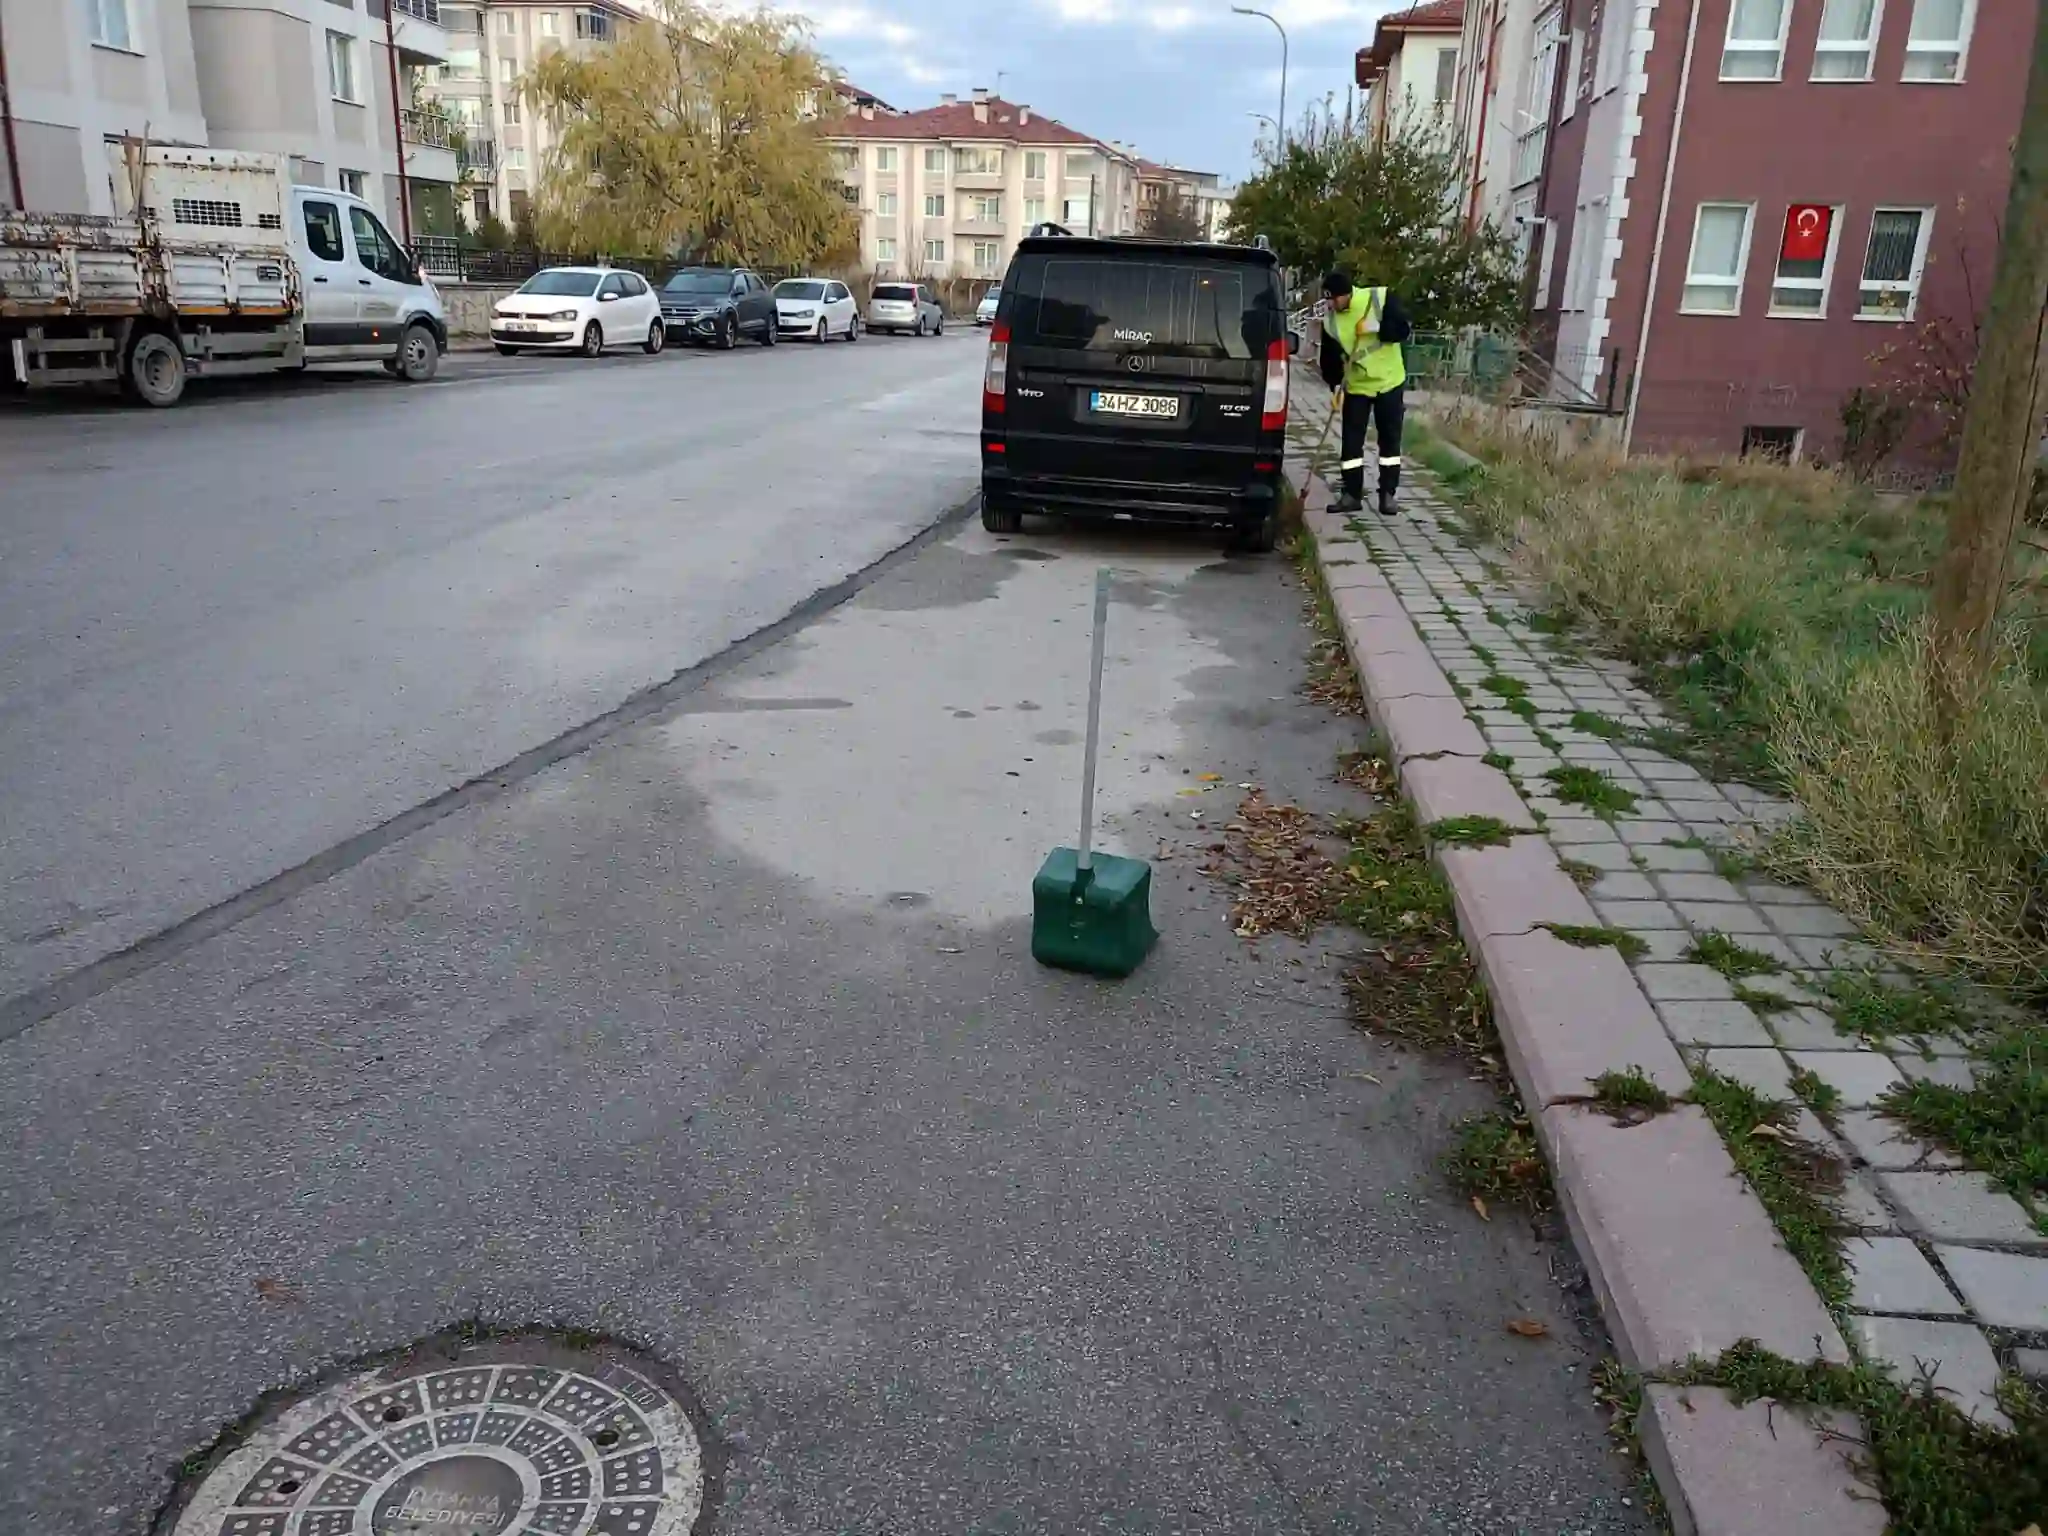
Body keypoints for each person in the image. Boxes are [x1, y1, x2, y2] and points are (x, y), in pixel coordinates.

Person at [1317, 269, 1411, 516]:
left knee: (1389, 441)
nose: (1330, 304)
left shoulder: (1380, 299)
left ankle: (1387, 495)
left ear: (1348, 293)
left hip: (1389, 381)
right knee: (1351, 442)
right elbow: (1328, 358)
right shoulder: (1331, 321)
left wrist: (1376, 327)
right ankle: (1351, 494)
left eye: (1334, 299)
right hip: (1357, 386)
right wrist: (1334, 385)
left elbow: (1403, 330)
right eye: (1327, 299)